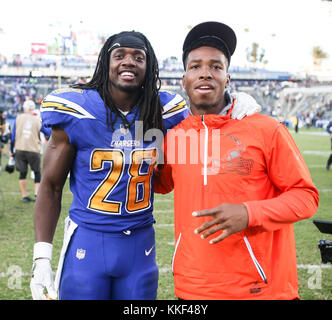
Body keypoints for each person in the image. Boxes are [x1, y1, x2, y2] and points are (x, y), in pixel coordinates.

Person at [30, 30, 260, 300]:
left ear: (149, 67)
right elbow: (51, 185)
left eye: (139, 57)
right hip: (88, 241)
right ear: (106, 63)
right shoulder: (77, 108)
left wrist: (232, 106)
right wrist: (41, 255)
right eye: (120, 55)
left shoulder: (165, 110)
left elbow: (205, 126)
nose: (129, 62)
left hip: (140, 246)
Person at [154, 21, 319, 300]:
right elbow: (160, 183)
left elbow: (306, 197)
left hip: (261, 290)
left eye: (216, 66)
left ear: (228, 78)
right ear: (184, 80)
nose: (205, 73)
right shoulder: (176, 137)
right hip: (193, 289)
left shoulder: (266, 129)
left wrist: (249, 213)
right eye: (195, 66)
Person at [10, 100, 50, 202]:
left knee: (22, 173)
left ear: (24, 108)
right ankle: (37, 194)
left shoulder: (18, 118)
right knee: (36, 172)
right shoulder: (37, 120)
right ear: (33, 109)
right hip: (33, 149)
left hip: (20, 148)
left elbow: (13, 136)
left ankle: (24, 196)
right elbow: (47, 132)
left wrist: (11, 149)